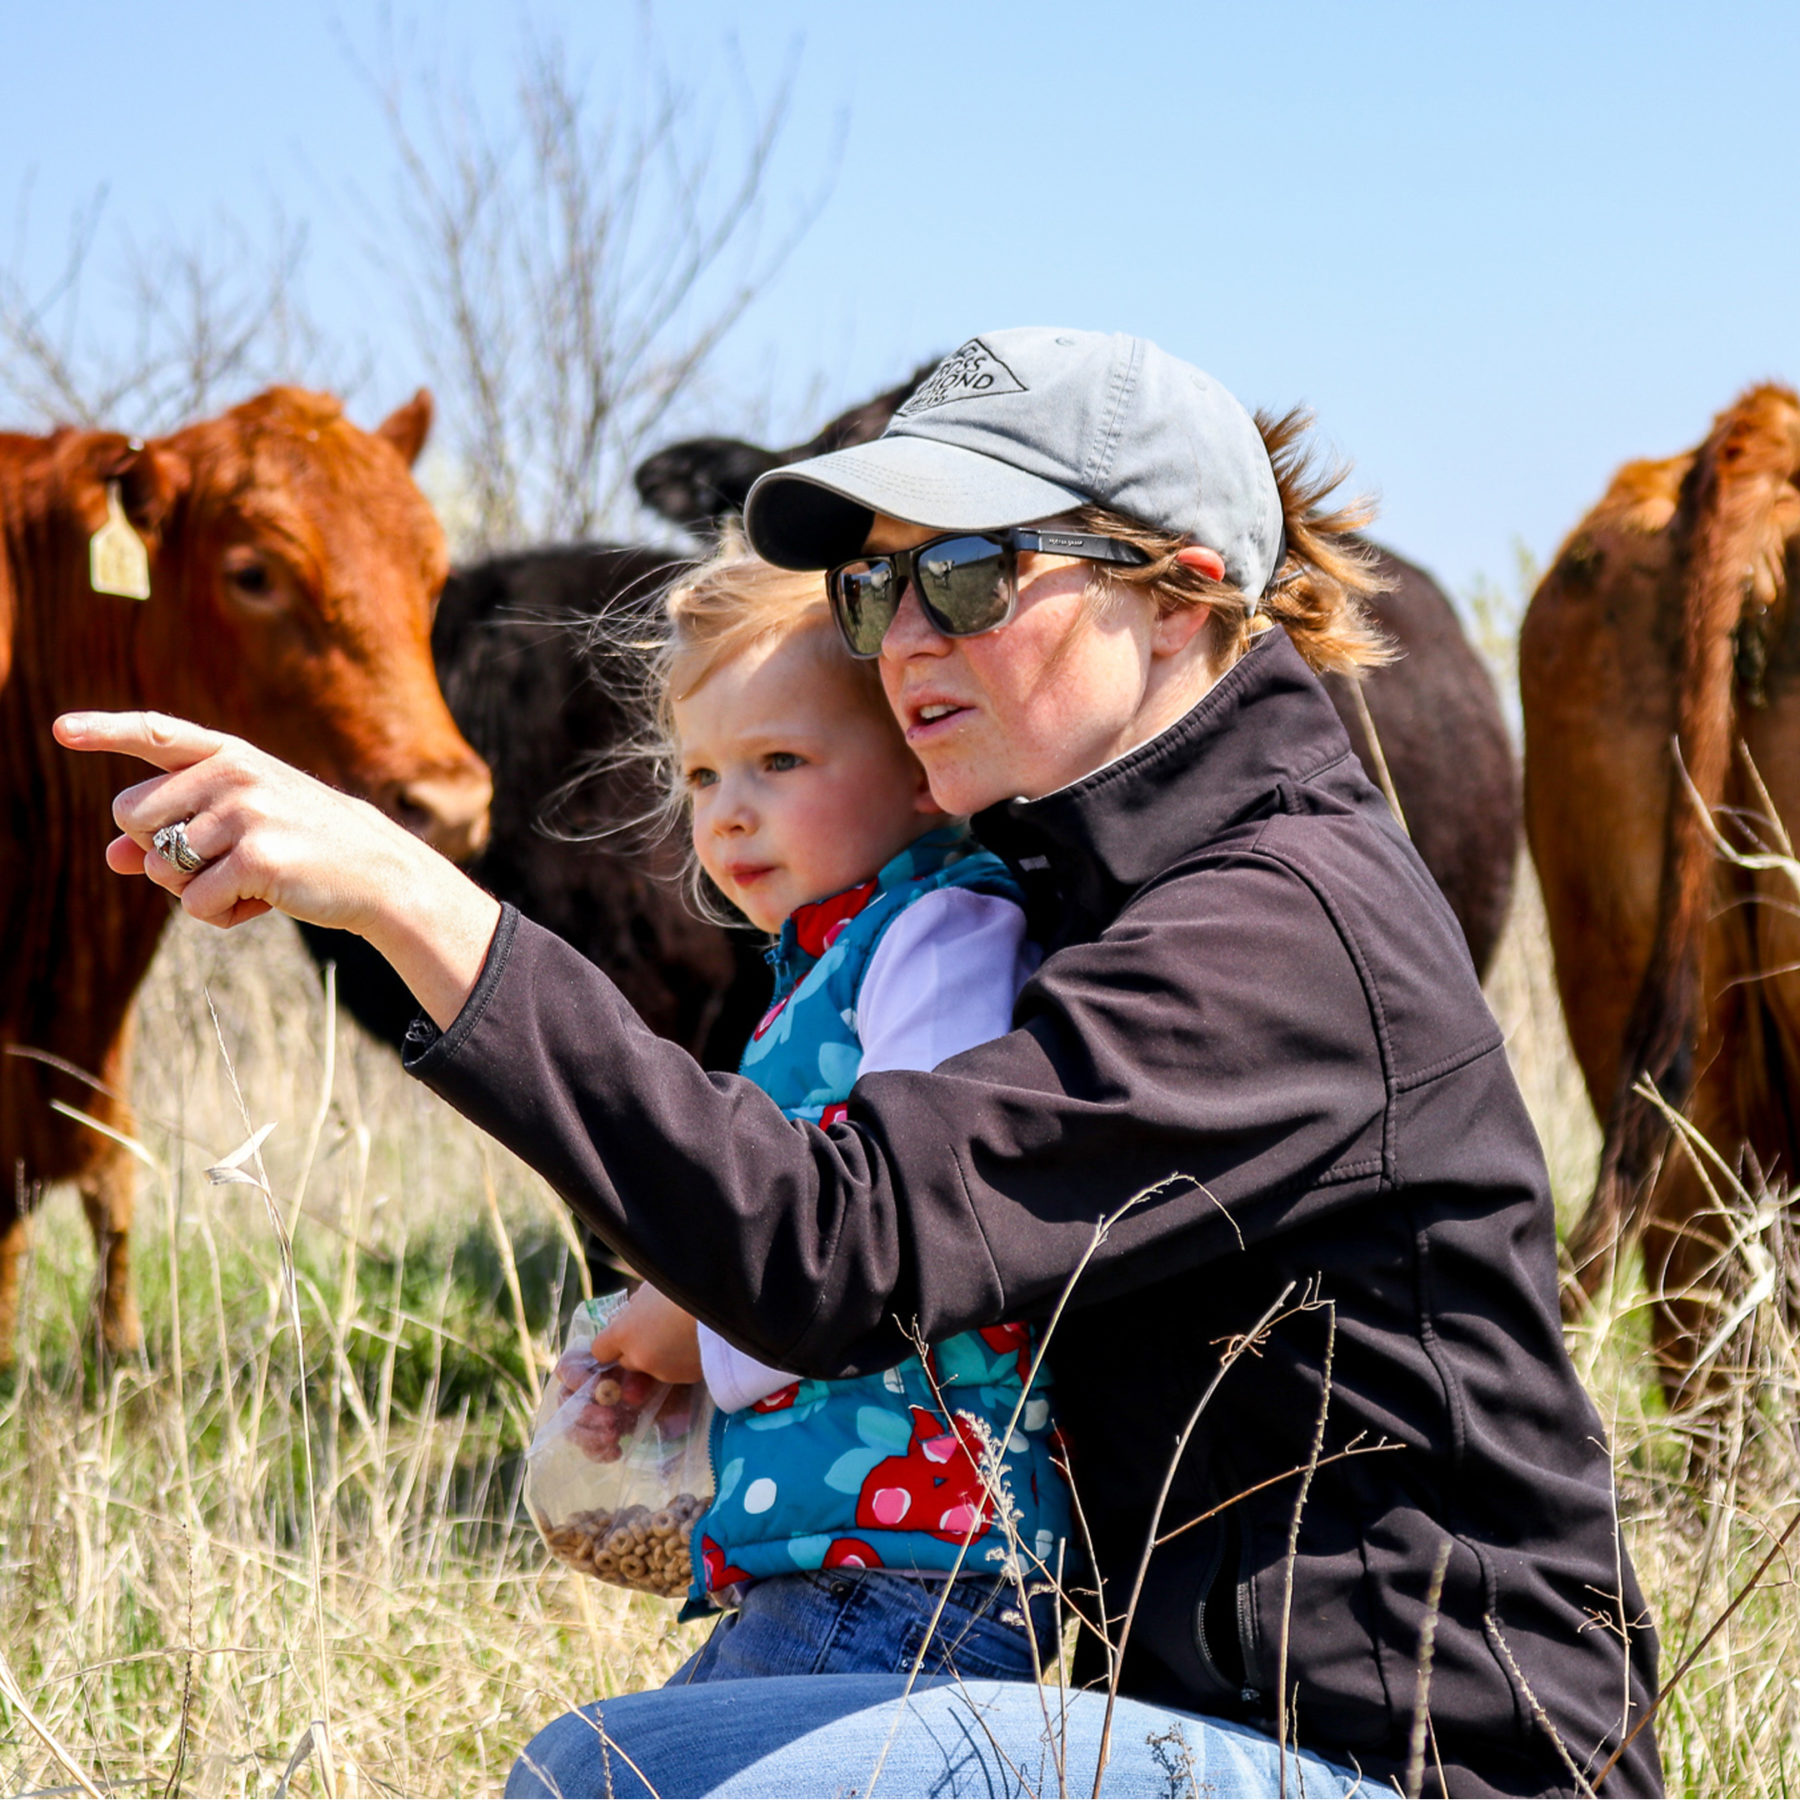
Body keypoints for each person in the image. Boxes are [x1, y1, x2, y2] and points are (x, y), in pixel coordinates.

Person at [58, 328, 1662, 1797]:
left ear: (1179, 592)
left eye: (964, 576)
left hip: (1418, 1770)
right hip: (1197, 1721)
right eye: (867, 592)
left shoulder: (1274, 932)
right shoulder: (1058, 895)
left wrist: (416, 896)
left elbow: (836, 1243)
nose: (901, 639)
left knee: (625, 1783)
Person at [586, 546, 1071, 1681]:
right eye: (702, 777)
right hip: (844, 1556)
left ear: (918, 763)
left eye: (778, 761)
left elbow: (902, 1226)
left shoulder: (941, 933)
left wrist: (699, 1333)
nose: (729, 817)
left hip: (918, 1566)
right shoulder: (829, 960)